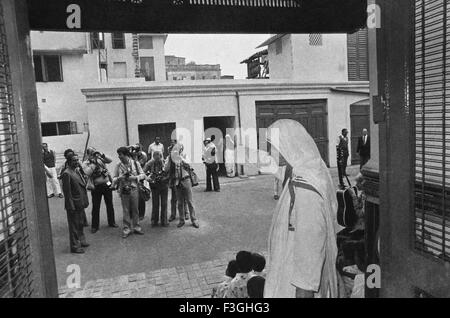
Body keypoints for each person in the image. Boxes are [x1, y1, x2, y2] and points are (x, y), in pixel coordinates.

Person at [263, 119, 342, 298]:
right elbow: (275, 169)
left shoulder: (306, 190)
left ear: (288, 144)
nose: (269, 151)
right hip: (289, 270)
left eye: (272, 145)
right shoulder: (308, 168)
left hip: (295, 284)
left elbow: (310, 252)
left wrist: (303, 292)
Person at [112, 146, 145, 238]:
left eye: (120, 155)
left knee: (135, 209)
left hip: (134, 189)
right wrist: (119, 178)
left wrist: (134, 178)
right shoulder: (118, 165)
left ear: (126, 155)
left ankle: (137, 227)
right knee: (126, 210)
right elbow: (114, 178)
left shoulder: (135, 163)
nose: (119, 157)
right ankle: (126, 229)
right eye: (118, 155)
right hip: (124, 190)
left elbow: (143, 175)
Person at [82, 147, 117, 233]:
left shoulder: (100, 159)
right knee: (96, 206)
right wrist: (93, 163)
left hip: (107, 184)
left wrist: (101, 155)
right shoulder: (86, 163)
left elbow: (110, 160)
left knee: (110, 204)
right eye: (92, 153)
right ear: (88, 154)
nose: (94, 154)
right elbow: (87, 172)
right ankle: (95, 226)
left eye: (94, 152)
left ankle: (112, 222)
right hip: (96, 186)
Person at [164, 143, 199, 228]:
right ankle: (181, 220)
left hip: (185, 179)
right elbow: (166, 169)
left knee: (189, 201)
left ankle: (194, 220)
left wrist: (181, 158)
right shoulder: (170, 158)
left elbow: (188, 163)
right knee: (179, 202)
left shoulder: (184, 155)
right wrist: (170, 158)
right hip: (176, 181)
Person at [61, 152, 89, 254]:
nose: (77, 162)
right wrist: (70, 206)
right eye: (74, 160)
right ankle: (75, 246)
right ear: (68, 162)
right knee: (74, 227)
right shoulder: (66, 173)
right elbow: (67, 193)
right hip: (73, 205)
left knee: (80, 224)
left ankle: (81, 240)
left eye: (77, 160)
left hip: (80, 203)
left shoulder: (77, 171)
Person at [144, 151, 169, 227]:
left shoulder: (165, 163)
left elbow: (169, 173)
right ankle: (154, 221)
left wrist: (164, 178)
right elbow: (143, 172)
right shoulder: (150, 163)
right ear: (153, 157)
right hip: (154, 185)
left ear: (161, 157)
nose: (158, 160)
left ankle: (164, 221)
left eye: (159, 158)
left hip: (164, 185)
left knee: (164, 204)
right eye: (156, 158)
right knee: (155, 203)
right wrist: (148, 178)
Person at [131, 144, 148, 221]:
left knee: (141, 196)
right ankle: (133, 213)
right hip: (132, 176)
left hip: (140, 176)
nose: (137, 151)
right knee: (131, 195)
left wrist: (134, 157)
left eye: (138, 149)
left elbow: (138, 165)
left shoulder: (143, 155)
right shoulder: (132, 154)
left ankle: (141, 214)